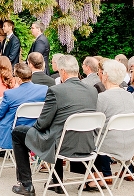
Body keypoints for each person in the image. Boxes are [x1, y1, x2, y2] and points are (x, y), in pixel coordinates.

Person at [10, 54, 98, 196]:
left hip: (62, 145)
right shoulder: (92, 91)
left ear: (62, 71)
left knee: (18, 132)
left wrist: (33, 130)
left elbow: (42, 123)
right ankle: (56, 182)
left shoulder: (57, 91)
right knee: (58, 130)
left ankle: (26, 185)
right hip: (87, 144)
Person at [87, 59, 134, 190]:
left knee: (86, 134)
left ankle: (95, 177)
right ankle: (97, 176)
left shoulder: (102, 97)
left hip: (108, 146)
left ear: (106, 76)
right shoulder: (129, 96)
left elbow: (94, 124)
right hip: (130, 143)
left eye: (103, 72)